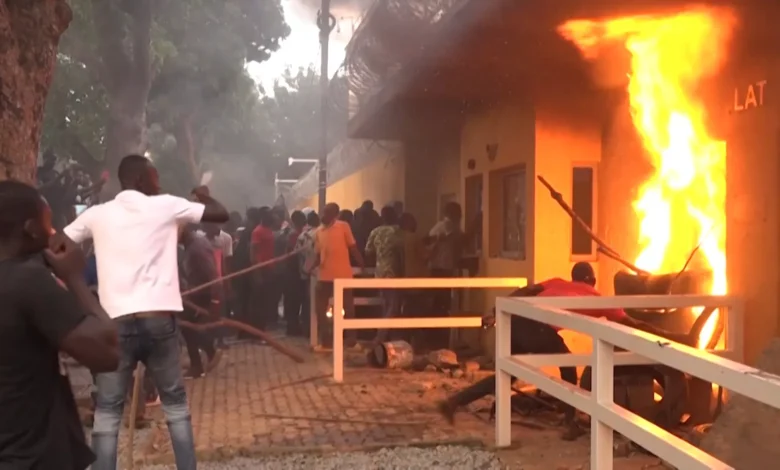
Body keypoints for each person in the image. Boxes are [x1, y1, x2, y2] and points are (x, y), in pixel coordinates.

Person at [62, 154, 229, 470]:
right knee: (175, 406)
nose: (159, 181)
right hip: (158, 321)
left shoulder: (98, 214)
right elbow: (220, 214)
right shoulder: (165, 205)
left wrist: (81, 291)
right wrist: (203, 196)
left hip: (114, 325)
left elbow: (58, 244)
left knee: (108, 411)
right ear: (139, 179)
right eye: (154, 175)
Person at [437, 262, 694, 440]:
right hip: (536, 327)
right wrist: (675, 336)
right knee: (570, 369)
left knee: (506, 374)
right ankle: (569, 423)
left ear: (573, 277)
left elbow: (525, 290)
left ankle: (454, 402)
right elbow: (632, 324)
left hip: (515, 321)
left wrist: (495, 313)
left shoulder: (556, 282)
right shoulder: (597, 296)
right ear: (591, 280)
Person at [0, 180, 118, 470]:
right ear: (30, 228)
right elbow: (106, 353)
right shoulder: (28, 281)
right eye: (48, 222)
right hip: (33, 455)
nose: (54, 232)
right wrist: (75, 277)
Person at [307, 203, 364, 348]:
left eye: (327, 212)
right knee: (320, 309)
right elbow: (318, 254)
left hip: (342, 275)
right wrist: (310, 267)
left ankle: (352, 340)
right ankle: (326, 341)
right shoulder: (318, 231)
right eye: (323, 212)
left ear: (335, 214)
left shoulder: (343, 226)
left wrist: (361, 263)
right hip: (324, 275)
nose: (323, 215)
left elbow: (352, 248)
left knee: (348, 309)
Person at [179, 225, 223, 378]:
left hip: (203, 293)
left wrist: (215, 301)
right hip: (196, 292)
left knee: (188, 327)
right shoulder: (194, 245)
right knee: (190, 327)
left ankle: (201, 361)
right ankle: (205, 355)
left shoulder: (197, 248)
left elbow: (213, 274)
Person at [365, 206, 404, 343]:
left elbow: (368, 251)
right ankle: (382, 335)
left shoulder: (375, 232)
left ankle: (387, 335)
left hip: (379, 271)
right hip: (394, 272)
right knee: (394, 305)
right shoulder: (398, 231)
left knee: (386, 304)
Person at [200, 223, 233, 348]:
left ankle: (220, 339)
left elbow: (224, 263)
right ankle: (207, 341)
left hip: (218, 282)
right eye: (215, 226)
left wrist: (227, 282)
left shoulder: (222, 241)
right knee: (206, 312)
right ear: (206, 227)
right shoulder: (200, 243)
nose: (218, 229)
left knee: (220, 312)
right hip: (205, 284)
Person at [294, 211, 320, 339]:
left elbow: (297, 255)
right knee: (318, 301)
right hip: (318, 273)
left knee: (306, 301)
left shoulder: (301, 236)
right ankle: (317, 330)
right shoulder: (320, 234)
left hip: (304, 273)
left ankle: (307, 329)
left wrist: (302, 270)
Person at [250, 207, 275, 331]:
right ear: (262, 216)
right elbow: (253, 253)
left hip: (270, 269)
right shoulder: (257, 231)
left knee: (267, 300)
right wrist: (257, 273)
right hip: (261, 270)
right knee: (260, 301)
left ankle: (263, 327)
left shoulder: (269, 230)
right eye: (268, 214)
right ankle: (259, 329)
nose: (271, 216)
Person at [282, 210, 307, 336]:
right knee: (293, 300)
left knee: (294, 300)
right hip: (293, 271)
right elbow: (294, 253)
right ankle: (292, 327)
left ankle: (293, 325)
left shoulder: (296, 233)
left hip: (293, 270)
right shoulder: (294, 234)